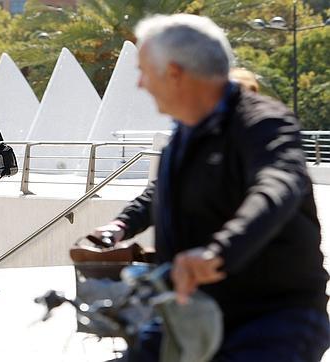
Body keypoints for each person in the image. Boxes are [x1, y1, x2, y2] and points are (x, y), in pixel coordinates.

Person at [94, 14, 329, 361]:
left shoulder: (263, 123)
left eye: (144, 71)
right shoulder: (185, 135)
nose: (141, 84)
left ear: (174, 72)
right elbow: (160, 192)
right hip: (191, 308)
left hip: (272, 319)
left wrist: (219, 251)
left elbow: (276, 186)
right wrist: (122, 224)